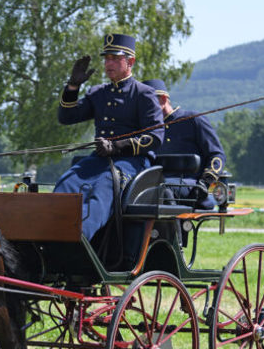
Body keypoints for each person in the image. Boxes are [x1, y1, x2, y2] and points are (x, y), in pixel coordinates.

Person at [54, 33, 163, 240]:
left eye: (115, 58)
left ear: (130, 61)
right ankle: (49, 234)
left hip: (133, 162)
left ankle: (77, 239)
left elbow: (155, 137)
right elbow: (67, 117)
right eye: (106, 58)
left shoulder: (144, 94)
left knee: (104, 185)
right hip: (99, 160)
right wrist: (72, 87)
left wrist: (118, 146)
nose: (108, 63)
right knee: (66, 182)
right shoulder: (98, 92)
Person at [142, 79, 226, 209]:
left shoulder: (193, 120)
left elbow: (217, 155)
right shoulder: (146, 130)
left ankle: (173, 228)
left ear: (163, 100)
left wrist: (205, 182)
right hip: (155, 184)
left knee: (162, 189)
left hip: (190, 186)